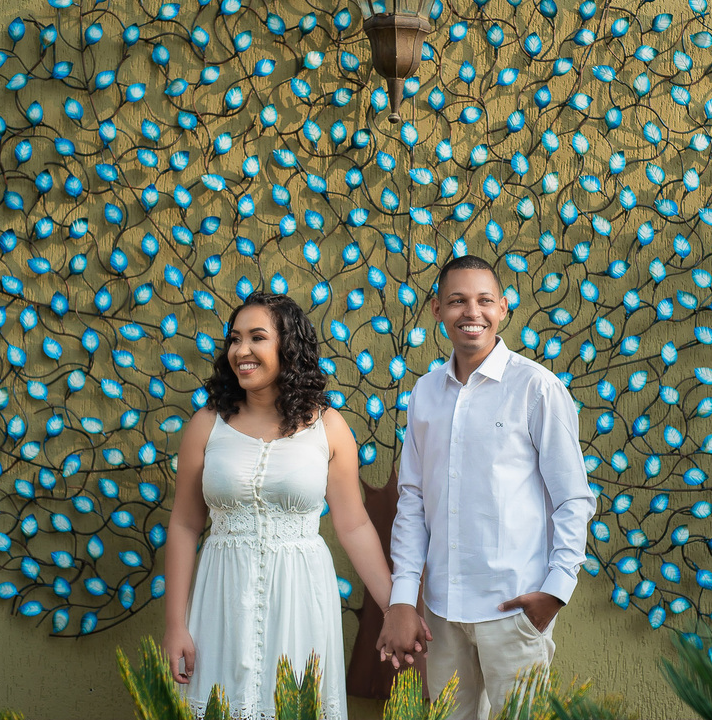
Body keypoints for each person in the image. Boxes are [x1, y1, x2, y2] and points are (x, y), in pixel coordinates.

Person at [162, 292, 427, 720]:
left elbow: (354, 525)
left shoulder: (329, 427)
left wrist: (395, 606)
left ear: (288, 348)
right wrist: (175, 625)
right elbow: (185, 526)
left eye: (256, 337)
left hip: (300, 596)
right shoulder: (206, 425)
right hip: (221, 598)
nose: (241, 350)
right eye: (234, 339)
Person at [376, 255, 598, 720]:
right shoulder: (424, 394)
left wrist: (555, 591)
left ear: (503, 309)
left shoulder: (536, 387)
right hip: (441, 612)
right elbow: (412, 501)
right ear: (437, 310)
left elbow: (573, 499)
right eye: (457, 301)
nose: (470, 312)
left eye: (483, 300)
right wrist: (402, 599)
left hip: (515, 607)